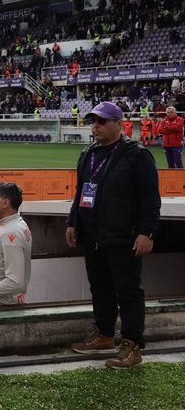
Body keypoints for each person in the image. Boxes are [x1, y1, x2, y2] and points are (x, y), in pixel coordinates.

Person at [66, 102, 160, 369]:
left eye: (102, 122)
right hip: (92, 233)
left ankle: (132, 345)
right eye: (93, 122)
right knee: (100, 287)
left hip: (122, 235)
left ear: (119, 124)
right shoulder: (89, 153)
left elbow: (150, 199)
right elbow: (81, 191)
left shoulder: (137, 155)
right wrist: (73, 222)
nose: (95, 127)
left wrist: (146, 232)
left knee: (128, 291)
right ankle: (105, 334)